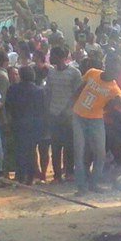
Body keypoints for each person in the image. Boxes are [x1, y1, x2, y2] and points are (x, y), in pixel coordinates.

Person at [72, 57, 121, 195]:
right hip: (78, 116)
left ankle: (94, 183)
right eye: (114, 68)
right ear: (107, 66)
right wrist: (72, 106)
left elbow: (119, 100)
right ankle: (81, 186)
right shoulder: (92, 73)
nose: (115, 72)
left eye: (117, 71)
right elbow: (79, 88)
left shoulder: (114, 88)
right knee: (79, 152)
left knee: (100, 154)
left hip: (96, 120)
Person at [45, 46, 83, 182]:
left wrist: (68, 109)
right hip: (54, 114)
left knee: (69, 146)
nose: (51, 58)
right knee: (55, 147)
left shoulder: (74, 73)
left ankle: (69, 173)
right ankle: (56, 176)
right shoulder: (51, 73)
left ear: (61, 57)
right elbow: (48, 92)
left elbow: (78, 94)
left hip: (69, 116)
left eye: (53, 56)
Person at [6, 65, 46, 185]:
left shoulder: (13, 89)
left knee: (19, 151)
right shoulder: (39, 90)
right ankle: (30, 176)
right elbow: (43, 109)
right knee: (32, 150)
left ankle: (21, 176)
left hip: (18, 123)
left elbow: (8, 106)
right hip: (34, 125)